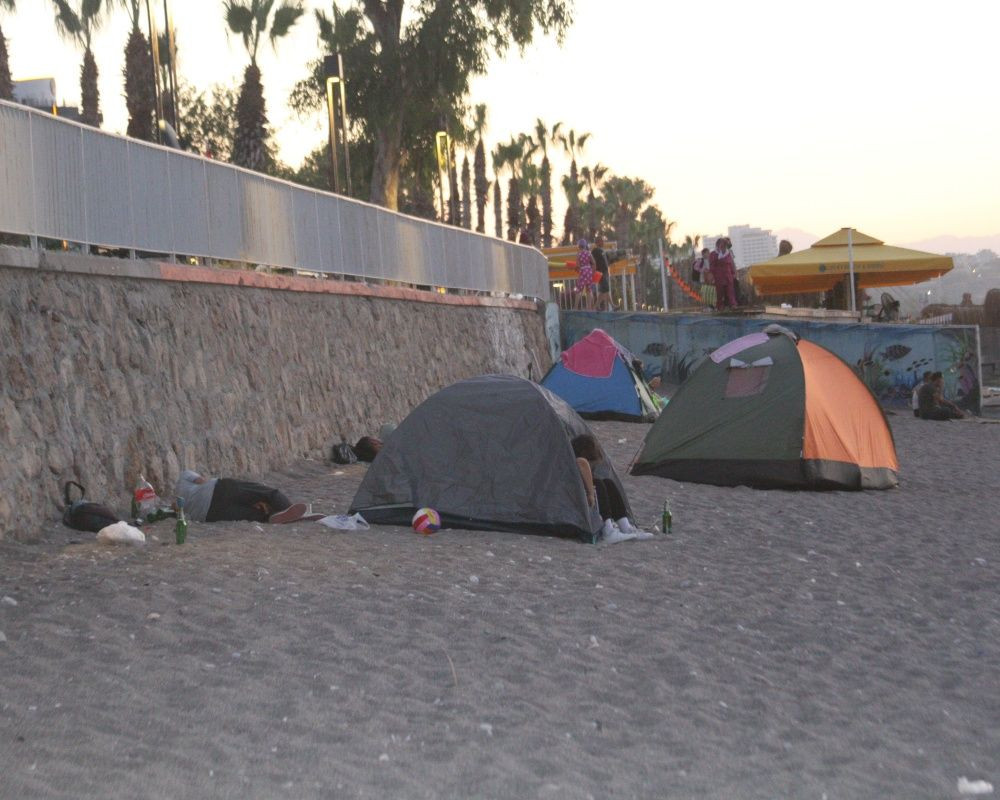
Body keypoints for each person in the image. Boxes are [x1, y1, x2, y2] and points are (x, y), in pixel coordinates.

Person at [571, 434, 652, 542]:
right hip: (576, 498)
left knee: (608, 483)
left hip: (583, 495)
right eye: (591, 464)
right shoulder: (574, 461)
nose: (592, 468)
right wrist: (590, 493)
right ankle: (607, 530)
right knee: (598, 484)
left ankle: (625, 527)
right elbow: (582, 462)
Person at [175, 470, 316, 524]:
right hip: (216, 490)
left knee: (253, 515)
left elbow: (179, 511)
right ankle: (290, 510)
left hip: (209, 514)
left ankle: (270, 517)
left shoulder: (175, 501)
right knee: (266, 493)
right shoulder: (184, 475)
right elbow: (202, 481)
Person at [709, 237, 738, 310]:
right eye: (722, 245)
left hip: (728, 274)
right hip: (718, 275)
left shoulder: (728, 253)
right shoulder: (713, 254)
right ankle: (720, 306)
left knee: (730, 290)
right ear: (718, 245)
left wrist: (734, 272)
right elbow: (712, 266)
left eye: (724, 245)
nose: (723, 247)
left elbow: (732, 264)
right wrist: (712, 276)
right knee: (719, 292)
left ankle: (733, 304)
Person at [573, 238, 596, 309]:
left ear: (579, 246)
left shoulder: (578, 254)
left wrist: (577, 269)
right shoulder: (589, 253)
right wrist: (592, 272)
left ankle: (575, 307)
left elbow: (577, 265)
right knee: (589, 290)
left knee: (579, 289)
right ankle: (589, 308)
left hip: (582, 271)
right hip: (589, 271)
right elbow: (594, 263)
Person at [592, 236, 613, 311]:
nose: (603, 242)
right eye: (601, 241)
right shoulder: (595, 251)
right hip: (600, 272)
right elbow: (592, 261)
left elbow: (607, 260)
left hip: (605, 271)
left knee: (604, 289)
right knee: (605, 288)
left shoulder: (602, 250)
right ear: (598, 242)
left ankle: (611, 306)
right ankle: (597, 306)